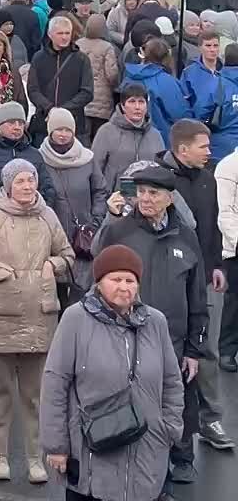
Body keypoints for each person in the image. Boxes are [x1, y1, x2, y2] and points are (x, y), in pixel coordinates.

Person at [40, 243, 184, 501]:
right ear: (99, 283)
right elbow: (55, 382)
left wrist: (170, 429)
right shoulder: (75, 319)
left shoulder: (156, 322)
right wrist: (56, 445)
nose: (123, 287)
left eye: (130, 280)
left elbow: (172, 381)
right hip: (91, 448)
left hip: (147, 448)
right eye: (115, 279)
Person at [95, 165, 208, 484]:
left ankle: (181, 457)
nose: (145, 198)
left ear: (170, 198)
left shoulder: (186, 236)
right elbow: (98, 279)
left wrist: (195, 349)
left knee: (177, 400)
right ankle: (137, 467)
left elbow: (197, 295)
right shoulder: (120, 231)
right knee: (131, 402)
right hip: (127, 335)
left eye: (153, 193)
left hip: (174, 339)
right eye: (141, 192)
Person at [0, 157, 74, 484]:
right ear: (7, 186)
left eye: (31, 179)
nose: (27, 186)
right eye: (20, 181)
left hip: (40, 316)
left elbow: (68, 254)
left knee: (36, 395)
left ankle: (35, 458)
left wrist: (54, 265)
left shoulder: (48, 215)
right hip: (0, 315)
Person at [160, 119, 233, 451]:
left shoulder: (208, 179)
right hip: (171, 279)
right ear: (182, 148)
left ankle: (211, 418)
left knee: (207, 350)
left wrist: (216, 264)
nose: (209, 152)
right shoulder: (159, 180)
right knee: (170, 349)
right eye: (203, 146)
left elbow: (213, 226)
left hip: (203, 277)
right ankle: (170, 423)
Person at [38, 108, 107, 293]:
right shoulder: (39, 159)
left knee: (81, 287)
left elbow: (100, 191)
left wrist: (95, 220)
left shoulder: (87, 159)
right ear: (50, 131)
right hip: (51, 236)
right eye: (58, 129)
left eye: (67, 130)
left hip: (83, 236)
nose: (63, 134)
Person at [27, 15, 93, 142]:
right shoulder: (39, 58)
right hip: (44, 123)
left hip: (73, 123)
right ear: (50, 34)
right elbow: (33, 89)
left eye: (67, 33)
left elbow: (87, 92)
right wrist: (49, 108)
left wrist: (63, 111)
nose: (64, 37)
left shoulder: (81, 59)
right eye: (60, 33)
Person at [91, 83, 165, 193]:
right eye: (132, 101)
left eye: (141, 102)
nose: (137, 107)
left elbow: (162, 170)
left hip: (147, 198)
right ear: (122, 106)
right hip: (114, 197)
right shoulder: (106, 131)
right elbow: (95, 169)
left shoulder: (155, 135)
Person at [122, 37, 191, 147]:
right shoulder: (167, 82)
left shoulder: (128, 78)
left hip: (127, 139)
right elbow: (179, 114)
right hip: (159, 142)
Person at [77, 13, 120, 140]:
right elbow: (112, 74)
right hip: (102, 100)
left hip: (81, 97)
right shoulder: (107, 47)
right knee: (99, 137)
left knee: (83, 136)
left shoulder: (78, 44)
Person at [216, 141, 238, 370]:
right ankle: (227, 351)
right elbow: (225, 213)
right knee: (235, 303)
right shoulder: (229, 166)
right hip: (235, 248)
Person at [181, 29, 223, 120]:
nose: (212, 49)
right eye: (208, 46)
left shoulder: (226, 71)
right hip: (198, 122)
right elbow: (184, 101)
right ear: (200, 48)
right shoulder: (189, 73)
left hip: (223, 123)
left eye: (215, 46)